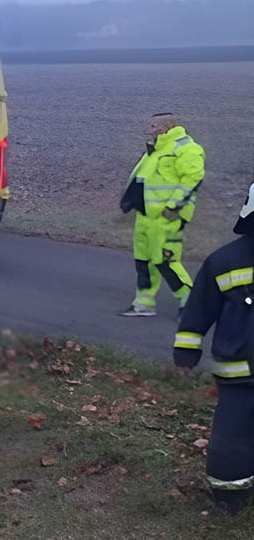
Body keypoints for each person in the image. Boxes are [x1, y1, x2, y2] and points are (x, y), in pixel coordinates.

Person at [173, 181, 254, 514]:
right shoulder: (224, 262)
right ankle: (229, 497)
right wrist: (186, 353)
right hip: (239, 381)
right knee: (230, 443)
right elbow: (198, 310)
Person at [119, 113, 205, 316]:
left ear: (166, 126)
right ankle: (143, 304)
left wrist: (174, 207)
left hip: (167, 218)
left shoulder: (185, 148)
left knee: (166, 261)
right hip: (146, 216)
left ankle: (190, 304)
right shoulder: (156, 148)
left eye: (153, 125)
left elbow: (193, 179)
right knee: (144, 261)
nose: (149, 129)